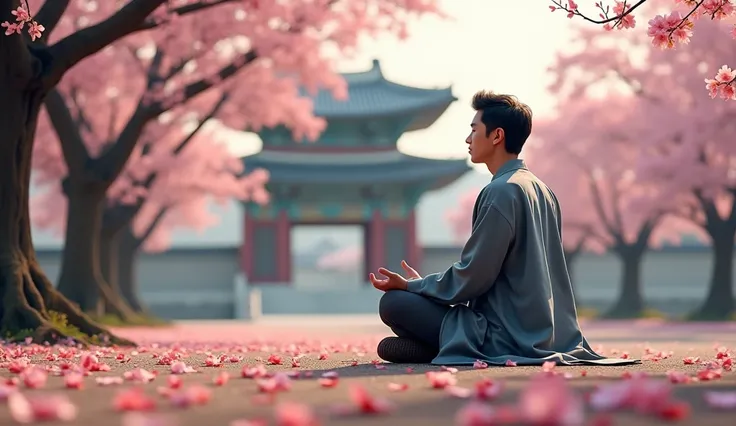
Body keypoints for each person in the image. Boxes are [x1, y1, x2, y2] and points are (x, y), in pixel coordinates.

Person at [369, 91, 638, 367]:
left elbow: (474, 276)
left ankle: (454, 347)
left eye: (474, 130)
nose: (468, 139)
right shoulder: (543, 190)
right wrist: (424, 288)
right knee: (397, 335)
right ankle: (439, 347)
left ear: (496, 136)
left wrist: (413, 286)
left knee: (394, 304)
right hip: (550, 335)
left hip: (502, 336)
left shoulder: (501, 191)